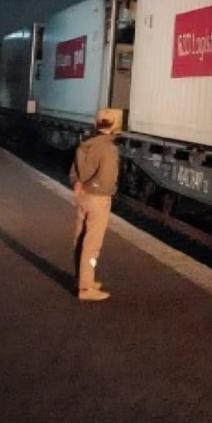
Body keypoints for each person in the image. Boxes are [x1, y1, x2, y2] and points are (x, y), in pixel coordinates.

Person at [70, 116, 120, 301]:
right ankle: (86, 288)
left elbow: (74, 171)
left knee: (80, 237)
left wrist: (78, 184)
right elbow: (107, 178)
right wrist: (102, 191)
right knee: (92, 243)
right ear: (113, 128)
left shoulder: (85, 145)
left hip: (82, 196)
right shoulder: (109, 148)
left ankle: (80, 279)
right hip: (97, 199)